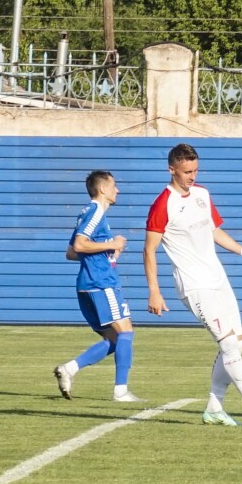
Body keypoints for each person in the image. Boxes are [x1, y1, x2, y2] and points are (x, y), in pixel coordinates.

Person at [144, 143, 242, 427]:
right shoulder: (162, 205)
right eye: (186, 171)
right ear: (172, 170)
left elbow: (214, 230)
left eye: (195, 170)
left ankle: (214, 407)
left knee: (237, 344)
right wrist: (154, 291)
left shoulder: (202, 194)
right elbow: (149, 250)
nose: (192, 176)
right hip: (194, 286)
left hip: (218, 280)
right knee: (229, 343)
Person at [53, 170, 140, 402]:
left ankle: (69, 369)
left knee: (113, 340)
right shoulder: (95, 212)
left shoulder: (86, 213)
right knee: (126, 332)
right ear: (102, 189)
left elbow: (71, 253)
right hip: (101, 283)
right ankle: (121, 391)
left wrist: (109, 251)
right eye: (114, 185)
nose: (117, 190)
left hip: (87, 284)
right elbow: (80, 246)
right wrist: (111, 243)